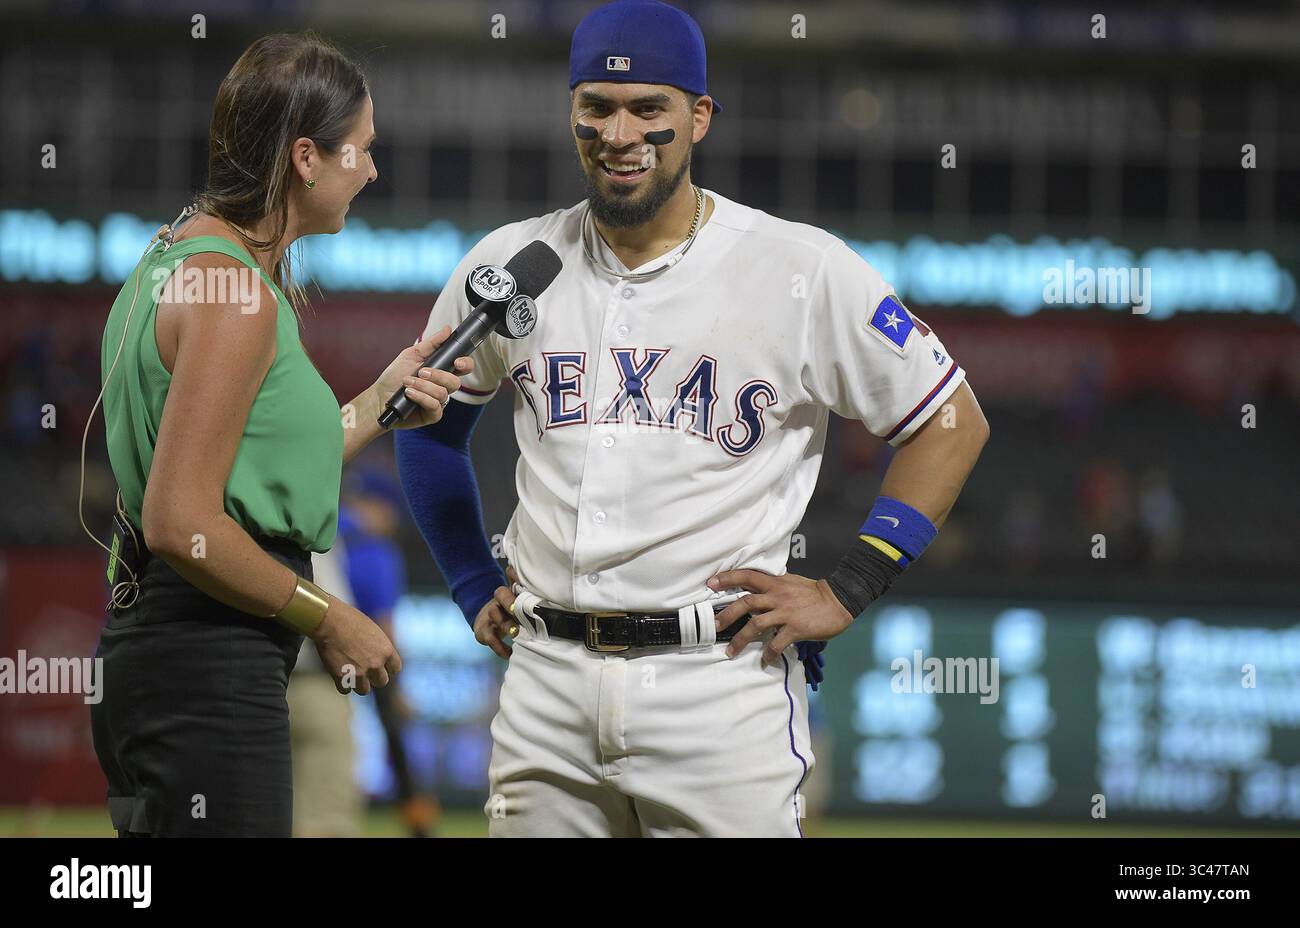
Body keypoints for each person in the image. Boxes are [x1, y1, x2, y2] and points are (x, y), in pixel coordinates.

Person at [395, 0, 989, 837]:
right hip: (546, 682)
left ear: (699, 116)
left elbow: (951, 420)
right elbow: (427, 425)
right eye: (596, 106)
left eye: (649, 109)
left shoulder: (800, 268)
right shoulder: (508, 266)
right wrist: (467, 577)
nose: (619, 131)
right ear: (572, 113)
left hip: (719, 682)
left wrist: (852, 586)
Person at [90, 32, 472, 838]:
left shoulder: (177, 257)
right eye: (360, 151)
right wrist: (328, 616)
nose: (371, 171)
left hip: (167, 656)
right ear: (306, 157)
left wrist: (377, 399)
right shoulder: (237, 294)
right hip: (207, 662)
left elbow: (251, 468)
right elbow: (180, 521)